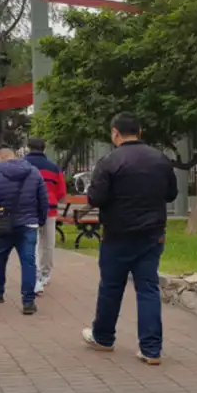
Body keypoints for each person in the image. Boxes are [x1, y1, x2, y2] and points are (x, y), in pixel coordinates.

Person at [80, 112, 177, 365]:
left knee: (111, 287)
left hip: (117, 234)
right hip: (152, 234)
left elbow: (96, 199)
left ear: (115, 133)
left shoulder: (109, 161)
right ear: (140, 131)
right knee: (148, 288)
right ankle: (151, 349)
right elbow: (171, 194)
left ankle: (103, 337)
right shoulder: (160, 159)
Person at [0, 145, 49, 315]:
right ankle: (28, 301)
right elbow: (43, 199)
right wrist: (40, 219)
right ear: (15, 157)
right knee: (28, 262)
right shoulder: (33, 172)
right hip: (29, 224)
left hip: (4, 224)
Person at [24, 138, 67, 295]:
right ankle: (45, 274)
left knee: (30, 243)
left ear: (28, 148)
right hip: (49, 208)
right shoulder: (53, 167)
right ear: (44, 148)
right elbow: (62, 193)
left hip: (28, 209)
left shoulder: (23, 165)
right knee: (48, 243)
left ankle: (32, 275)